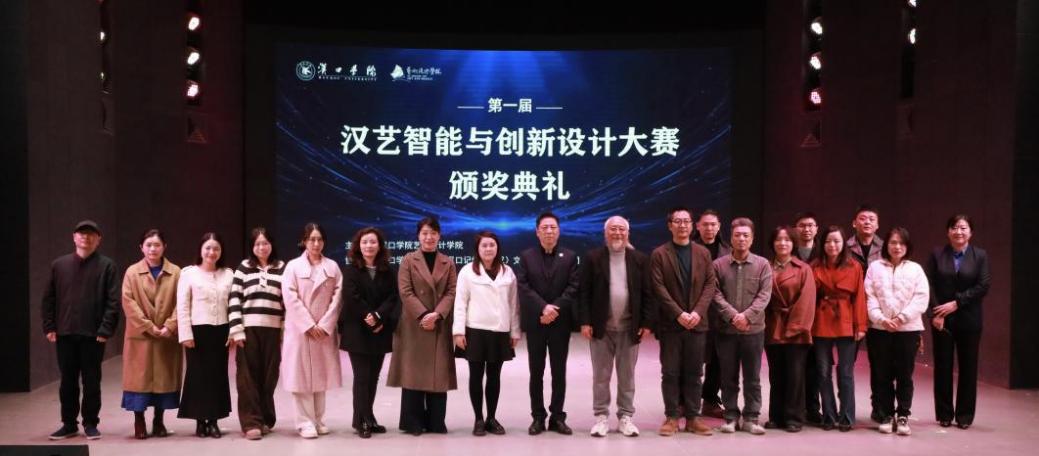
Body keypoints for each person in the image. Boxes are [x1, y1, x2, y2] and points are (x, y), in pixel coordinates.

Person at [578, 215, 655, 438]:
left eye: (621, 229)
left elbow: (648, 294)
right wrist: (585, 321)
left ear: (628, 233)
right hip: (601, 329)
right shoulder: (593, 258)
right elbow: (584, 293)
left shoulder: (640, 259)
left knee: (627, 376)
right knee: (601, 376)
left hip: (630, 328)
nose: (617, 233)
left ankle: (625, 417)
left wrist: (647, 323)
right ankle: (601, 417)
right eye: (613, 229)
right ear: (605, 233)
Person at [42, 220, 120, 440]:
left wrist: (105, 329)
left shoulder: (107, 266)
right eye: (81, 233)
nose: (86, 237)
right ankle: (69, 424)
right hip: (65, 332)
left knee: (91, 381)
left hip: (93, 335)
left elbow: (113, 301)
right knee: (67, 381)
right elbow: (49, 298)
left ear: (98, 240)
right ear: (74, 237)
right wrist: (49, 325)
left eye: (91, 234)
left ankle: (90, 423)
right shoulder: (59, 265)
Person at [388, 217, 458, 435]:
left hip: (438, 323)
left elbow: (451, 292)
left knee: (438, 372)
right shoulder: (408, 260)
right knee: (413, 373)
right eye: (425, 233)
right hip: (414, 324)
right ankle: (413, 422)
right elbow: (405, 291)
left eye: (433, 233)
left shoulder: (448, 262)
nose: (429, 237)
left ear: (439, 236)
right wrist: (424, 314)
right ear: (418, 236)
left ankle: (436, 421)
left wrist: (437, 314)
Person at [650, 207, 717, 437]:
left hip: (697, 323)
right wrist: (679, 314)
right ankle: (671, 417)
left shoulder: (702, 253)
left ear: (692, 225)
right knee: (670, 372)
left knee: (694, 372)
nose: (682, 225)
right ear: (670, 226)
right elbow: (658, 288)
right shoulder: (660, 254)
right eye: (677, 221)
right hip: (671, 324)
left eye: (686, 221)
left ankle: (693, 418)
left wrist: (697, 312)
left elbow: (710, 284)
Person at [516, 212, 580, 435]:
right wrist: (543, 308)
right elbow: (523, 286)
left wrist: (554, 309)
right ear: (537, 232)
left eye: (553, 227)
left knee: (559, 372)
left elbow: (573, 287)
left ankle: (557, 417)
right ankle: (538, 417)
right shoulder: (526, 256)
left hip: (560, 324)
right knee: (536, 372)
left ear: (559, 231)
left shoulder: (570, 256)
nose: (549, 231)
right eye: (545, 228)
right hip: (536, 322)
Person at [926, 215, 990, 430]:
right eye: (954, 227)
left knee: (968, 368)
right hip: (941, 320)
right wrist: (935, 313)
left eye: (963, 228)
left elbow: (983, 285)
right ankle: (944, 414)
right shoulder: (937, 254)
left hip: (969, 320)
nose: (959, 232)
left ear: (971, 232)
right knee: (942, 367)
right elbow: (928, 283)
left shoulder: (980, 255)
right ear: (948, 232)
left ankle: (964, 415)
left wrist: (957, 303)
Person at [454, 231, 521, 436]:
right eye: (484, 245)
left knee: (494, 377)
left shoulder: (508, 272)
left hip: (500, 331)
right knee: (476, 376)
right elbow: (460, 303)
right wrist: (458, 331)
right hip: (475, 330)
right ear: (478, 249)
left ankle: (492, 418)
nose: (488, 249)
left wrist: (515, 330)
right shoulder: (467, 271)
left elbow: (514, 304)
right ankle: (478, 419)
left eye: (492, 245)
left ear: (497, 247)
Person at [710, 217, 773, 435]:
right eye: (737, 235)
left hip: (753, 331)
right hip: (726, 331)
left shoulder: (763, 264)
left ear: (752, 239)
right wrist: (732, 316)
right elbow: (714, 294)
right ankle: (730, 417)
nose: (741, 239)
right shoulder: (718, 265)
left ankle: (751, 418)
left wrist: (746, 317)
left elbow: (765, 295)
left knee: (752, 377)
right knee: (728, 377)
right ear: (731, 238)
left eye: (746, 235)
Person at [280, 223, 343, 439]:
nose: (316, 243)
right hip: (300, 331)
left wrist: (325, 325)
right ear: (304, 241)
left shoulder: (332, 267)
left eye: (319, 239)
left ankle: (318, 419)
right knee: (301, 378)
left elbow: (338, 298)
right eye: (311, 239)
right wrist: (308, 324)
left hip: (323, 331)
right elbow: (290, 298)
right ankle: (304, 422)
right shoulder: (293, 267)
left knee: (320, 377)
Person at [865, 227, 929, 436]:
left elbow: (921, 298)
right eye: (893, 242)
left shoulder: (915, 269)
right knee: (882, 374)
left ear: (907, 246)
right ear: (886, 245)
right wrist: (881, 319)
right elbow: (869, 296)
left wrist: (901, 318)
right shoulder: (875, 267)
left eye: (902, 243)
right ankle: (886, 414)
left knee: (904, 375)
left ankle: (903, 415)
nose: (897, 247)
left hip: (908, 330)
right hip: (880, 329)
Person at [120, 229, 182, 439]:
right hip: (141, 336)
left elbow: (182, 303)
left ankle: (159, 420)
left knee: (164, 380)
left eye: (157, 245)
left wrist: (170, 326)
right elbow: (128, 303)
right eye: (148, 245)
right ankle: (139, 420)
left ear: (164, 247)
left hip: (166, 336)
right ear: (141, 247)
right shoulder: (131, 272)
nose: (152, 249)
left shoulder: (176, 272)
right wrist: (148, 326)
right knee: (139, 381)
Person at [339, 227, 399, 438]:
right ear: (358, 245)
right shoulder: (351, 270)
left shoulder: (388, 270)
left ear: (380, 246)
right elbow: (351, 297)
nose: (369, 246)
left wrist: (378, 317)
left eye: (373, 242)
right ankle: (360, 420)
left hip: (380, 330)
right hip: (357, 330)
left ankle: (369, 417)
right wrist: (369, 316)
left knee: (373, 377)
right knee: (362, 377)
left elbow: (393, 298)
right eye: (365, 242)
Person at [228, 227, 286, 440]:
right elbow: (234, 299)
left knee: (270, 376)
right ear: (252, 247)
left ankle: (265, 418)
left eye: (265, 243)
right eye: (257, 244)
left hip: (273, 330)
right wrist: (237, 330)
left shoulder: (282, 268)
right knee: (248, 378)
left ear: (272, 245)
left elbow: (286, 301)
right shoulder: (244, 268)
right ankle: (251, 422)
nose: (262, 247)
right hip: (248, 330)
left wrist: (284, 329)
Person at [177, 232, 234, 438]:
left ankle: (214, 421)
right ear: (201, 250)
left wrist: (233, 331)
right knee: (198, 376)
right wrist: (185, 334)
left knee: (218, 376)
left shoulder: (228, 274)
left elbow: (234, 305)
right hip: (198, 331)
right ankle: (200, 421)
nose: (212, 252)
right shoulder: (189, 273)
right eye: (208, 248)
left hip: (221, 330)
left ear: (221, 251)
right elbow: (182, 305)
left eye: (216, 248)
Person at [811, 225, 867, 432]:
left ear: (844, 244)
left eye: (836, 241)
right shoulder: (814, 266)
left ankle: (847, 416)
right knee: (823, 372)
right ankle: (828, 415)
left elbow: (860, 297)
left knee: (845, 372)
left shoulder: (854, 266)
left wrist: (861, 325)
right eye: (828, 241)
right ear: (822, 244)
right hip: (821, 320)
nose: (832, 245)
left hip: (846, 319)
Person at [763, 226, 816, 433]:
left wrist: (795, 326)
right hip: (772, 326)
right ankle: (775, 416)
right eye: (778, 239)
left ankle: (794, 417)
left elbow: (807, 301)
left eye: (787, 239)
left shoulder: (803, 268)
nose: (782, 243)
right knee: (776, 374)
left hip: (796, 329)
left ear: (794, 243)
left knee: (795, 375)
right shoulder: (765, 267)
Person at [846, 205, 885, 423]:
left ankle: (879, 408)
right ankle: (846, 410)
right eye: (862, 218)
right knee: (846, 364)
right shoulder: (844, 247)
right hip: (852, 312)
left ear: (877, 225)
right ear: (854, 223)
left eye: (871, 219)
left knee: (879, 364)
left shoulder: (886, 247)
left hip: (878, 312)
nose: (867, 222)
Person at [693, 209, 730, 418]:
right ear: (697, 226)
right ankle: (686, 401)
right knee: (692, 360)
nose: (709, 228)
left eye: (713, 224)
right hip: (695, 312)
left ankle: (710, 400)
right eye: (705, 224)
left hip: (720, 315)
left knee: (718, 361)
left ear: (719, 226)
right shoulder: (688, 249)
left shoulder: (728, 251)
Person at [793, 212, 822, 425]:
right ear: (796, 229)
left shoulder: (823, 253)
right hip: (794, 317)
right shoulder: (787, 250)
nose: (806, 229)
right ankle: (795, 408)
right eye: (802, 225)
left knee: (815, 366)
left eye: (810, 225)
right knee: (796, 366)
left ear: (816, 229)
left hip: (819, 319)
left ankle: (813, 408)